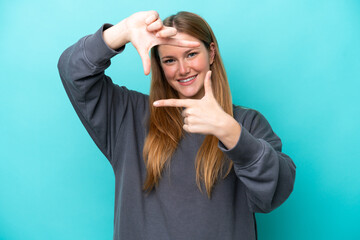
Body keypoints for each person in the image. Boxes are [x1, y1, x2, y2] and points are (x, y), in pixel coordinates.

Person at [58, 10, 296, 240]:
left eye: (191, 54)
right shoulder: (128, 115)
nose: (183, 70)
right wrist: (123, 30)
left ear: (211, 52)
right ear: (160, 66)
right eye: (170, 60)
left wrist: (230, 131)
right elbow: (72, 71)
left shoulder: (246, 122)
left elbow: (276, 189)